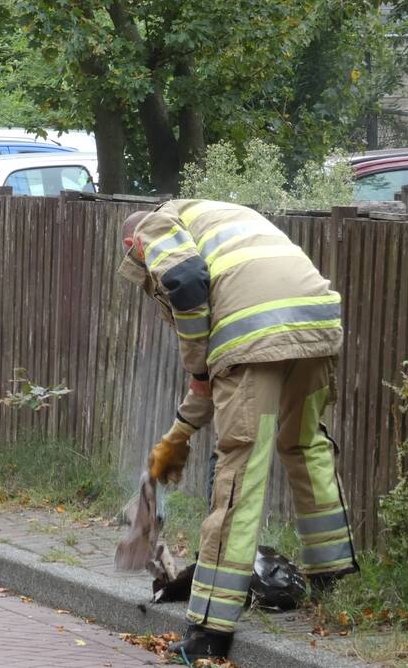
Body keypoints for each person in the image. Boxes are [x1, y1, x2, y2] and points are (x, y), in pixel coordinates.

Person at [117, 199, 358, 659]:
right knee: (303, 443)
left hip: (252, 335)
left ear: (135, 243)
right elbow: (206, 386)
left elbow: (184, 283)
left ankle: (210, 629)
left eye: (138, 264)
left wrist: (196, 362)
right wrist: (177, 436)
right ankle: (333, 579)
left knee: (240, 471)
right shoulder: (217, 217)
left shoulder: (154, 226)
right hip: (318, 322)